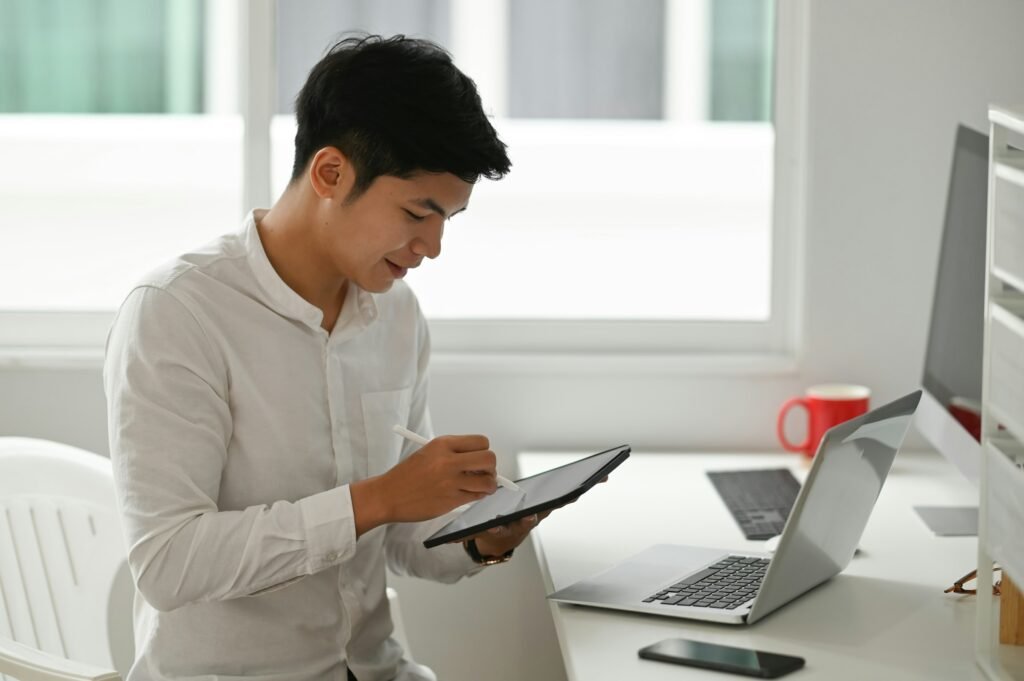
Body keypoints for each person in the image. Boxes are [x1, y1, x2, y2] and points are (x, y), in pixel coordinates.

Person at [104, 34, 531, 681]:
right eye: (420, 212)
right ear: (330, 173)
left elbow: (398, 535)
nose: (434, 246)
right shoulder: (176, 312)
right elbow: (168, 563)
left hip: (376, 669)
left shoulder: (396, 314)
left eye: (449, 218)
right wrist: (376, 497)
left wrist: (481, 537)